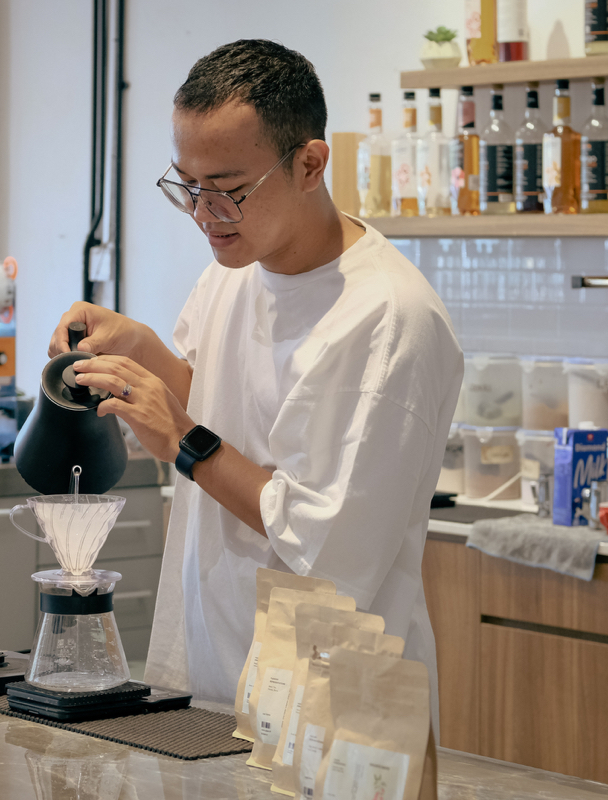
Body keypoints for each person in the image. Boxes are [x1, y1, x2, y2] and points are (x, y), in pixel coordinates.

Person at [48, 39, 463, 732]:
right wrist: (142, 349)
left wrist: (182, 440)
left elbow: (328, 545)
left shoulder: (387, 318)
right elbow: (224, 406)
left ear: (309, 164)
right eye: (186, 185)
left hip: (327, 713)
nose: (203, 213)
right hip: (210, 673)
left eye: (228, 189)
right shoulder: (233, 269)